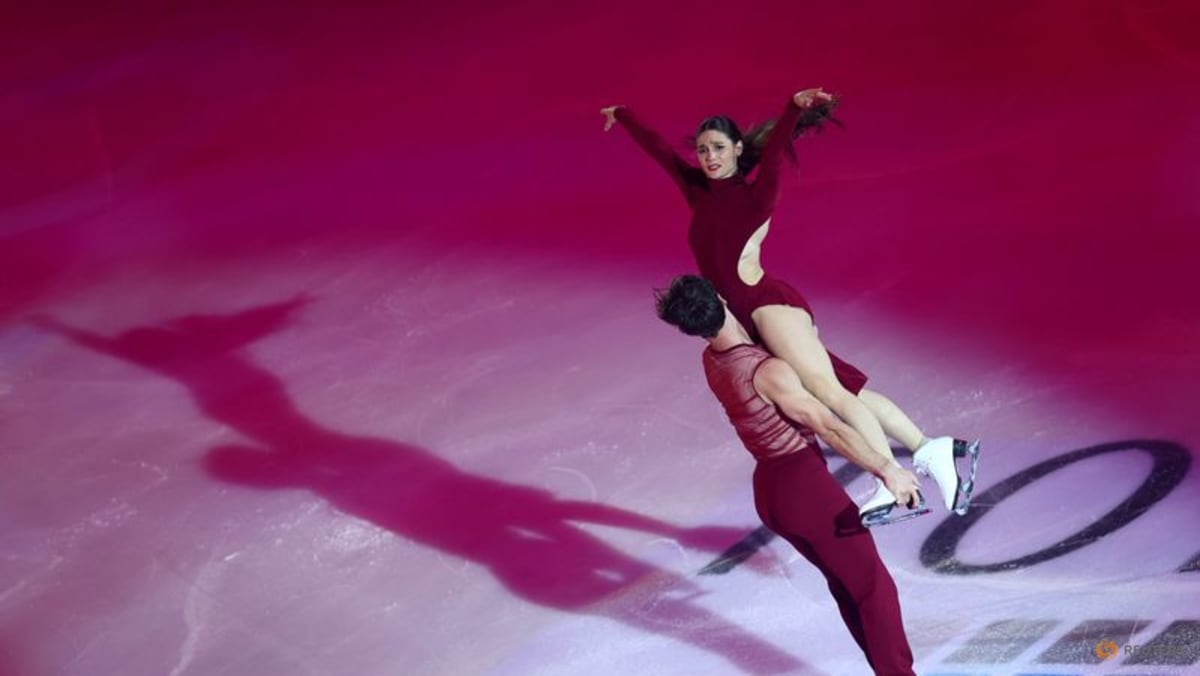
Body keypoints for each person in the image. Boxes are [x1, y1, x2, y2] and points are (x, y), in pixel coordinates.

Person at [602, 91, 979, 521]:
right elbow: (661, 152)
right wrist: (625, 116)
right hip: (751, 318)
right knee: (845, 390)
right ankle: (930, 449)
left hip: (769, 308)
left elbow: (777, 152)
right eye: (703, 149)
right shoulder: (697, 192)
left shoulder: (755, 195)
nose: (709, 157)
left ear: (738, 149)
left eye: (719, 148)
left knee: (830, 394)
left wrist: (792, 109)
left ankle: (887, 479)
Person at [654, 274, 920, 674]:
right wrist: (887, 469)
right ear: (723, 297)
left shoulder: (711, 360)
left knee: (848, 587)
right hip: (802, 486)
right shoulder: (770, 371)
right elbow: (829, 427)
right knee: (873, 587)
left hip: (772, 492)